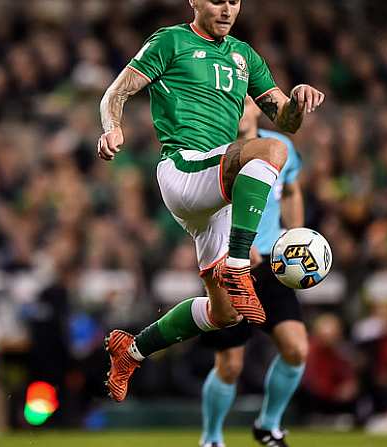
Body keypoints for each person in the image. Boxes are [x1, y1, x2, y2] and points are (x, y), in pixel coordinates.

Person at [97, 0, 324, 403]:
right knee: (272, 151)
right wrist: (111, 128)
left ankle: (130, 349)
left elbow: (285, 118)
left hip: (217, 197)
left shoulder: (245, 56)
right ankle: (239, 265)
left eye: (234, 1)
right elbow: (117, 92)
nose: (227, 9)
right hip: (184, 167)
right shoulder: (171, 41)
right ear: (195, 1)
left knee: (225, 315)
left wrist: (298, 102)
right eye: (217, 0)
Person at [198, 96, 305, 447]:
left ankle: (268, 426)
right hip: (230, 268)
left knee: (296, 350)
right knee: (230, 365)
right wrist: (235, 249)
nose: (238, 109)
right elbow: (204, 215)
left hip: (273, 266)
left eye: (243, 103)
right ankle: (212, 437)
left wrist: (296, 236)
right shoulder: (218, 155)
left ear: (258, 107)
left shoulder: (281, 147)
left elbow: (289, 189)